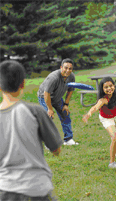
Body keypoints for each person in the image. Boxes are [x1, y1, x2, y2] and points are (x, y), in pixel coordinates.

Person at [0, 60, 63, 201]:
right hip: (37, 188)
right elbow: (56, 150)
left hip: (5, 190)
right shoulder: (35, 111)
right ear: (23, 83)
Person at [82, 77, 116, 170]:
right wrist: (88, 114)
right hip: (106, 118)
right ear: (102, 89)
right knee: (115, 137)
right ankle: (112, 163)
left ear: (114, 86)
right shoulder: (103, 100)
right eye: (106, 87)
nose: (109, 89)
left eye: (111, 86)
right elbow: (95, 107)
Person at [38, 58, 79, 145]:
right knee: (48, 118)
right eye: (65, 68)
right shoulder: (54, 77)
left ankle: (68, 140)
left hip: (57, 98)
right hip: (44, 97)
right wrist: (49, 109)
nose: (68, 70)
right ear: (61, 67)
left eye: (70, 68)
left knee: (65, 114)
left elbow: (70, 90)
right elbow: (46, 93)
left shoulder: (71, 76)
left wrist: (66, 105)